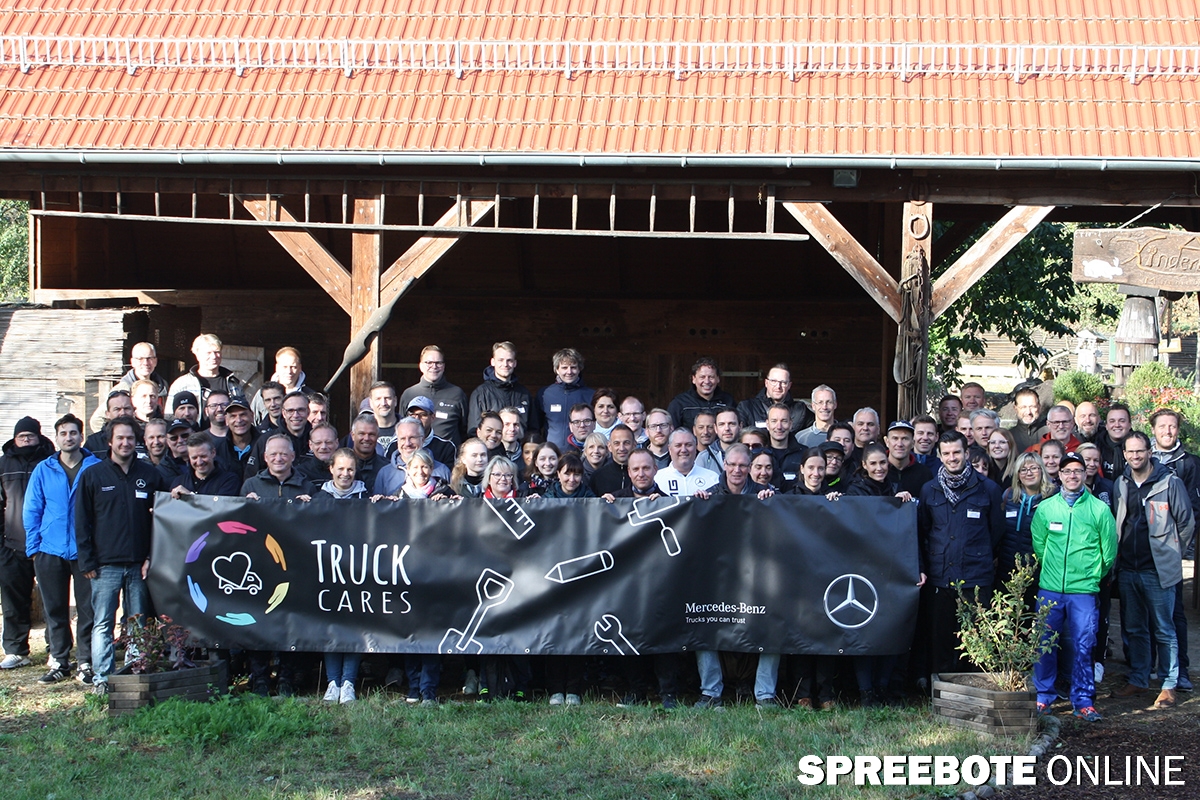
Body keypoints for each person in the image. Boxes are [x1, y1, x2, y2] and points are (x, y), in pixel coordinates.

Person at [75, 416, 168, 694]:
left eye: (130, 438)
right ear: (109, 442)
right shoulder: (93, 475)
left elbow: (161, 520)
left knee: (137, 622)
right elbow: (81, 521)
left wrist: (151, 557)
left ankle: (133, 673)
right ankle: (102, 678)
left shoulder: (150, 475)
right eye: (120, 438)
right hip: (104, 566)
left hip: (139, 565)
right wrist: (87, 561)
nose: (125, 443)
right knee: (103, 623)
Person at [1030, 452, 1116, 721]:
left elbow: (1108, 552)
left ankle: (1083, 700)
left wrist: (1091, 575)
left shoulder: (1099, 510)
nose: (1072, 475)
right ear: (1059, 475)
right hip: (1050, 588)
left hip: (1083, 591)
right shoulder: (1046, 508)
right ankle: (1043, 696)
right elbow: (1040, 546)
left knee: (1083, 645)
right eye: (1067, 471)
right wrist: (1053, 571)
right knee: (1044, 643)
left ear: (1086, 473)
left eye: (1078, 470)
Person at [1112, 431, 1194, 711]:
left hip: (1157, 571)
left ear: (1149, 452)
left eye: (1140, 451)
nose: (1135, 456)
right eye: (1130, 452)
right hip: (1128, 569)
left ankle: (1168, 684)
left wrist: (1172, 555)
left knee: (1164, 629)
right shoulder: (1121, 483)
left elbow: (1186, 523)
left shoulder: (1170, 482)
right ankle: (1139, 678)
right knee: (1135, 628)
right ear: (1125, 454)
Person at [917, 431, 1003, 679]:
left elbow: (996, 532)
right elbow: (923, 530)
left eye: (956, 452)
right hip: (940, 576)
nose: (952, 458)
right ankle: (941, 691)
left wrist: (976, 553)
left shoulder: (988, 489)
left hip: (976, 576)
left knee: (975, 639)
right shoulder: (929, 490)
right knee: (940, 639)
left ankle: (972, 689)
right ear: (939, 455)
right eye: (946, 453)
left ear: (966, 453)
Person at [23, 414, 100, 684]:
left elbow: (102, 511)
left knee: (88, 609)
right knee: (54, 609)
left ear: (81, 436)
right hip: (49, 549)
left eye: (73, 433)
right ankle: (59, 660)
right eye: (63, 433)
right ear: (56, 438)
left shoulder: (95, 467)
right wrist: (34, 548)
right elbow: (32, 509)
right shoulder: (43, 469)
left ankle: (86, 662)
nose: (69, 437)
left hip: (85, 552)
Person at [0, 417, 56, 672]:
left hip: (46, 545)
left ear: (38, 437)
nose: (25, 440)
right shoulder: (4, 464)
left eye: (30, 436)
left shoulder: (50, 461)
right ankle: (16, 650)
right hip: (12, 544)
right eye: (21, 436)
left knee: (52, 600)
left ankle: (55, 649)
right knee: (13, 602)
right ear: (14, 439)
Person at [1148, 407, 1198, 688]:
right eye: (1162, 426)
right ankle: (1147, 668)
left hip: (1169, 553)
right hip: (1143, 552)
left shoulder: (1189, 464)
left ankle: (1181, 670)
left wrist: (1175, 548)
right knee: (1146, 614)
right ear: (1153, 429)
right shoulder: (1142, 457)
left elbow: (1191, 514)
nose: (1167, 431)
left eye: (1172, 426)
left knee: (1174, 613)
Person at [318, 448, 369, 704]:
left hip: (357, 573)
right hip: (327, 572)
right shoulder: (319, 497)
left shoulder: (365, 496)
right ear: (331, 469)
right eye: (340, 468)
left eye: (350, 469)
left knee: (353, 627)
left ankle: (348, 682)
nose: (345, 474)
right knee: (331, 628)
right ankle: (332, 682)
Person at [999, 452, 1056, 593]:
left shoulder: (1054, 499)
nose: (1028, 473)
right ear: (1018, 475)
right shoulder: (1008, 496)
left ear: (1042, 470)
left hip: (1040, 574)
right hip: (1007, 572)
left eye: (1034, 468)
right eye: (1023, 470)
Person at [400, 345, 468, 446]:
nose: (434, 366)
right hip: (416, 452)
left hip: (448, 454)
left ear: (444, 366)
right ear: (421, 366)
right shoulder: (409, 394)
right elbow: (402, 428)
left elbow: (465, 429)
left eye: (438, 363)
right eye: (429, 362)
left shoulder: (457, 394)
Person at [166, 334, 244, 421]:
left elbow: (243, 411)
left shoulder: (232, 383)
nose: (214, 356)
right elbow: (169, 416)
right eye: (208, 353)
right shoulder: (181, 384)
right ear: (197, 355)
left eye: (217, 352)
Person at [468, 341, 537, 434]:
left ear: (515, 363)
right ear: (492, 362)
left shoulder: (524, 394)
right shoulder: (481, 394)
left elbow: (533, 429)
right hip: (491, 443)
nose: (505, 364)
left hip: (519, 443)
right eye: (500, 360)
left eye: (509, 360)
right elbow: (474, 430)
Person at [375, 419, 451, 497]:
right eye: (403, 438)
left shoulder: (442, 471)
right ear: (397, 441)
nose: (407, 443)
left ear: (422, 439)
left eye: (412, 438)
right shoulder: (385, 473)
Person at [537, 348, 594, 449]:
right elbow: (536, 426)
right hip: (553, 453)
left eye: (573, 367)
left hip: (583, 452)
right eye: (564, 368)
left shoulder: (590, 395)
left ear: (579, 369)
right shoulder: (545, 394)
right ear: (557, 370)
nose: (569, 372)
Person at [735, 363, 813, 434]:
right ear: (766, 383)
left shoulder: (800, 411)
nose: (778, 386)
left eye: (783, 382)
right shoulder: (746, 407)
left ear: (789, 385)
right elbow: (738, 436)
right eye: (774, 381)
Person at [667, 357, 735, 429]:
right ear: (693, 379)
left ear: (718, 379)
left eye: (711, 377)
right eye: (702, 377)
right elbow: (671, 431)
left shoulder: (728, 400)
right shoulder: (679, 403)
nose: (707, 381)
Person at [168, 432, 242, 497]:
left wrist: (190, 497)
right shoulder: (179, 482)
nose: (199, 462)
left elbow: (220, 507)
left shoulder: (229, 480)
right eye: (194, 458)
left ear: (213, 453)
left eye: (203, 456)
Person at [251, 347, 312, 423]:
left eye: (293, 367)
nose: (289, 371)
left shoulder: (309, 396)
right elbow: (253, 422)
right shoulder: (262, 395)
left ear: (300, 368)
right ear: (277, 367)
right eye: (285, 367)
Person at [654, 428, 719, 496]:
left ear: (695, 447)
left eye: (688, 445)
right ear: (670, 449)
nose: (683, 450)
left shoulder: (713, 478)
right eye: (678, 445)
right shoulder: (657, 479)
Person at [399, 396, 457, 467]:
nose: (417, 418)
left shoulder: (446, 448)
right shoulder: (396, 445)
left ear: (432, 417)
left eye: (423, 415)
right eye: (412, 414)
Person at [885, 420, 932, 498]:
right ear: (887, 442)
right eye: (895, 438)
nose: (899, 444)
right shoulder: (878, 471)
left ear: (913, 443)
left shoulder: (924, 474)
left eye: (905, 439)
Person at [213, 395, 258, 475]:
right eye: (233, 416)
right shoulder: (217, 448)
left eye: (243, 414)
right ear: (226, 420)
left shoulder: (264, 444)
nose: (239, 420)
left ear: (252, 416)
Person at [84, 390, 135, 458]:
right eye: (117, 409)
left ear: (133, 411)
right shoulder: (93, 442)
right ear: (107, 414)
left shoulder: (143, 439)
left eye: (127, 408)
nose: (123, 413)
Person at [765, 403, 805, 490]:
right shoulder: (759, 453)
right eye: (774, 421)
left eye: (784, 421)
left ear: (790, 424)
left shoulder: (804, 454)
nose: (779, 427)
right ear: (767, 424)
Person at [346, 413, 389, 494]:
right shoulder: (341, 466)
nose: (366, 438)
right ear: (353, 435)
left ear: (377, 436)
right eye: (361, 434)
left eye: (371, 434)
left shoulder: (387, 468)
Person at [589, 424, 635, 496]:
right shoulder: (598, 477)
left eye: (626, 443)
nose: (622, 448)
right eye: (617, 443)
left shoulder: (641, 475)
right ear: (609, 446)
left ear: (634, 445)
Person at [1098, 403, 1132, 480]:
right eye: (1112, 421)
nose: (1117, 425)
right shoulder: (1098, 446)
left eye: (1122, 421)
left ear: (1130, 425)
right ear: (1106, 426)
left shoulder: (1138, 446)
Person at [365, 381, 399, 456]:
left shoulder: (408, 429)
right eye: (378, 399)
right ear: (371, 403)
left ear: (395, 401)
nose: (383, 403)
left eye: (387, 398)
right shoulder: (361, 431)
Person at [1011, 388, 1049, 452]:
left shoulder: (1049, 434)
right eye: (1023, 407)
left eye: (1032, 407)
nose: (1028, 412)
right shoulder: (1008, 436)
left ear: (1039, 407)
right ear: (1015, 408)